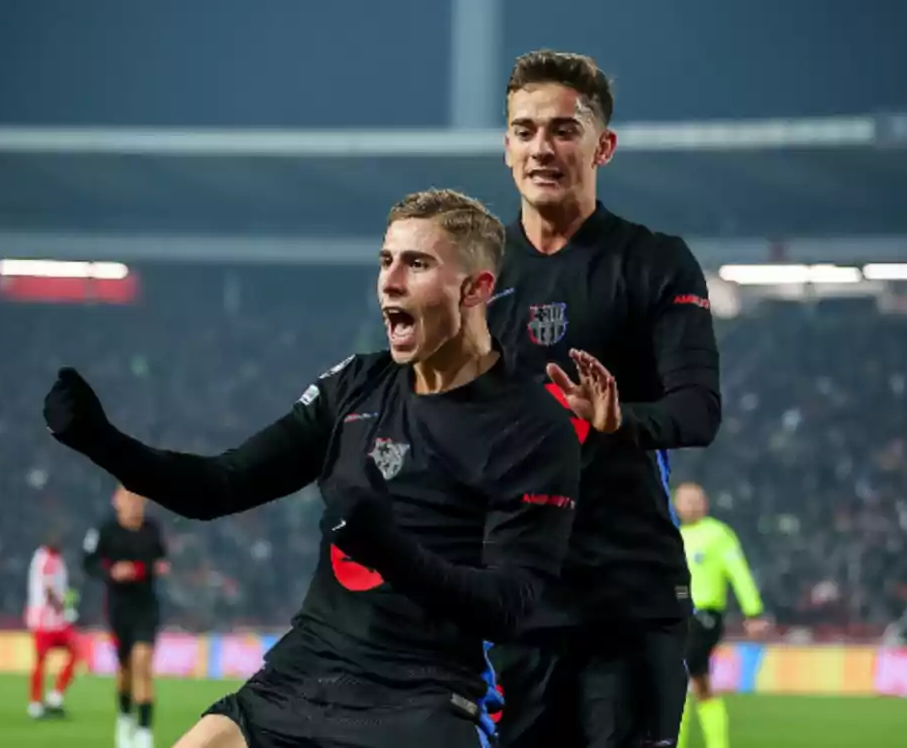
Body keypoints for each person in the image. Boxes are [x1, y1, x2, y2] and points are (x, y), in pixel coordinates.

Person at [43, 188, 584, 748]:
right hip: (302, 679)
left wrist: (390, 549)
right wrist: (101, 441)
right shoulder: (356, 385)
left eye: (417, 264)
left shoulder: (532, 426)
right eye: (386, 261)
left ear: (477, 288)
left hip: (424, 699)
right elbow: (218, 486)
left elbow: (508, 607)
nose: (390, 281)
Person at [486, 49, 723, 748]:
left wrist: (621, 421)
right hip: (515, 605)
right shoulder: (476, 273)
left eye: (563, 129)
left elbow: (698, 409)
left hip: (628, 597)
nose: (542, 148)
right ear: (506, 148)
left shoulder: (654, 262)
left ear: (603, 145)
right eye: (524, 130)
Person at [674, 482, 768, 748]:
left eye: (696, 499)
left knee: (684, 672)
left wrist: (754, 611)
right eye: (685, 500)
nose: (691, 504)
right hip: (678, 616)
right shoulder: (674, 534)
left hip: (705, 616)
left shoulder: (718, 534)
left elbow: (738, 571)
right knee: (691, 682)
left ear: (706, 503)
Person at [82, 486, 170, 748]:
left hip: (146, 606)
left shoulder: (152, 529)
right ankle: (124, 719)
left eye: (138, 498)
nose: (134, 503)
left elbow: (161, 560)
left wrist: (155, 568)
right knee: (125, 669)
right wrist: (112, 571)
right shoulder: (105, 531)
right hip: (119, 607)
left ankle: (144, 733)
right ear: (116, 501)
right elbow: (89, 563)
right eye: (128, 498)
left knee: (143, 662)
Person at [26, 532, 80, 719]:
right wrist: (63, 609)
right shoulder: (47, 559)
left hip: (51, 619)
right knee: (43, 659)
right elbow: (48, 590)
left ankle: (50, 698)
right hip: (47, 620)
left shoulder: (47, 557)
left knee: (74, 651)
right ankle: (40, 702)